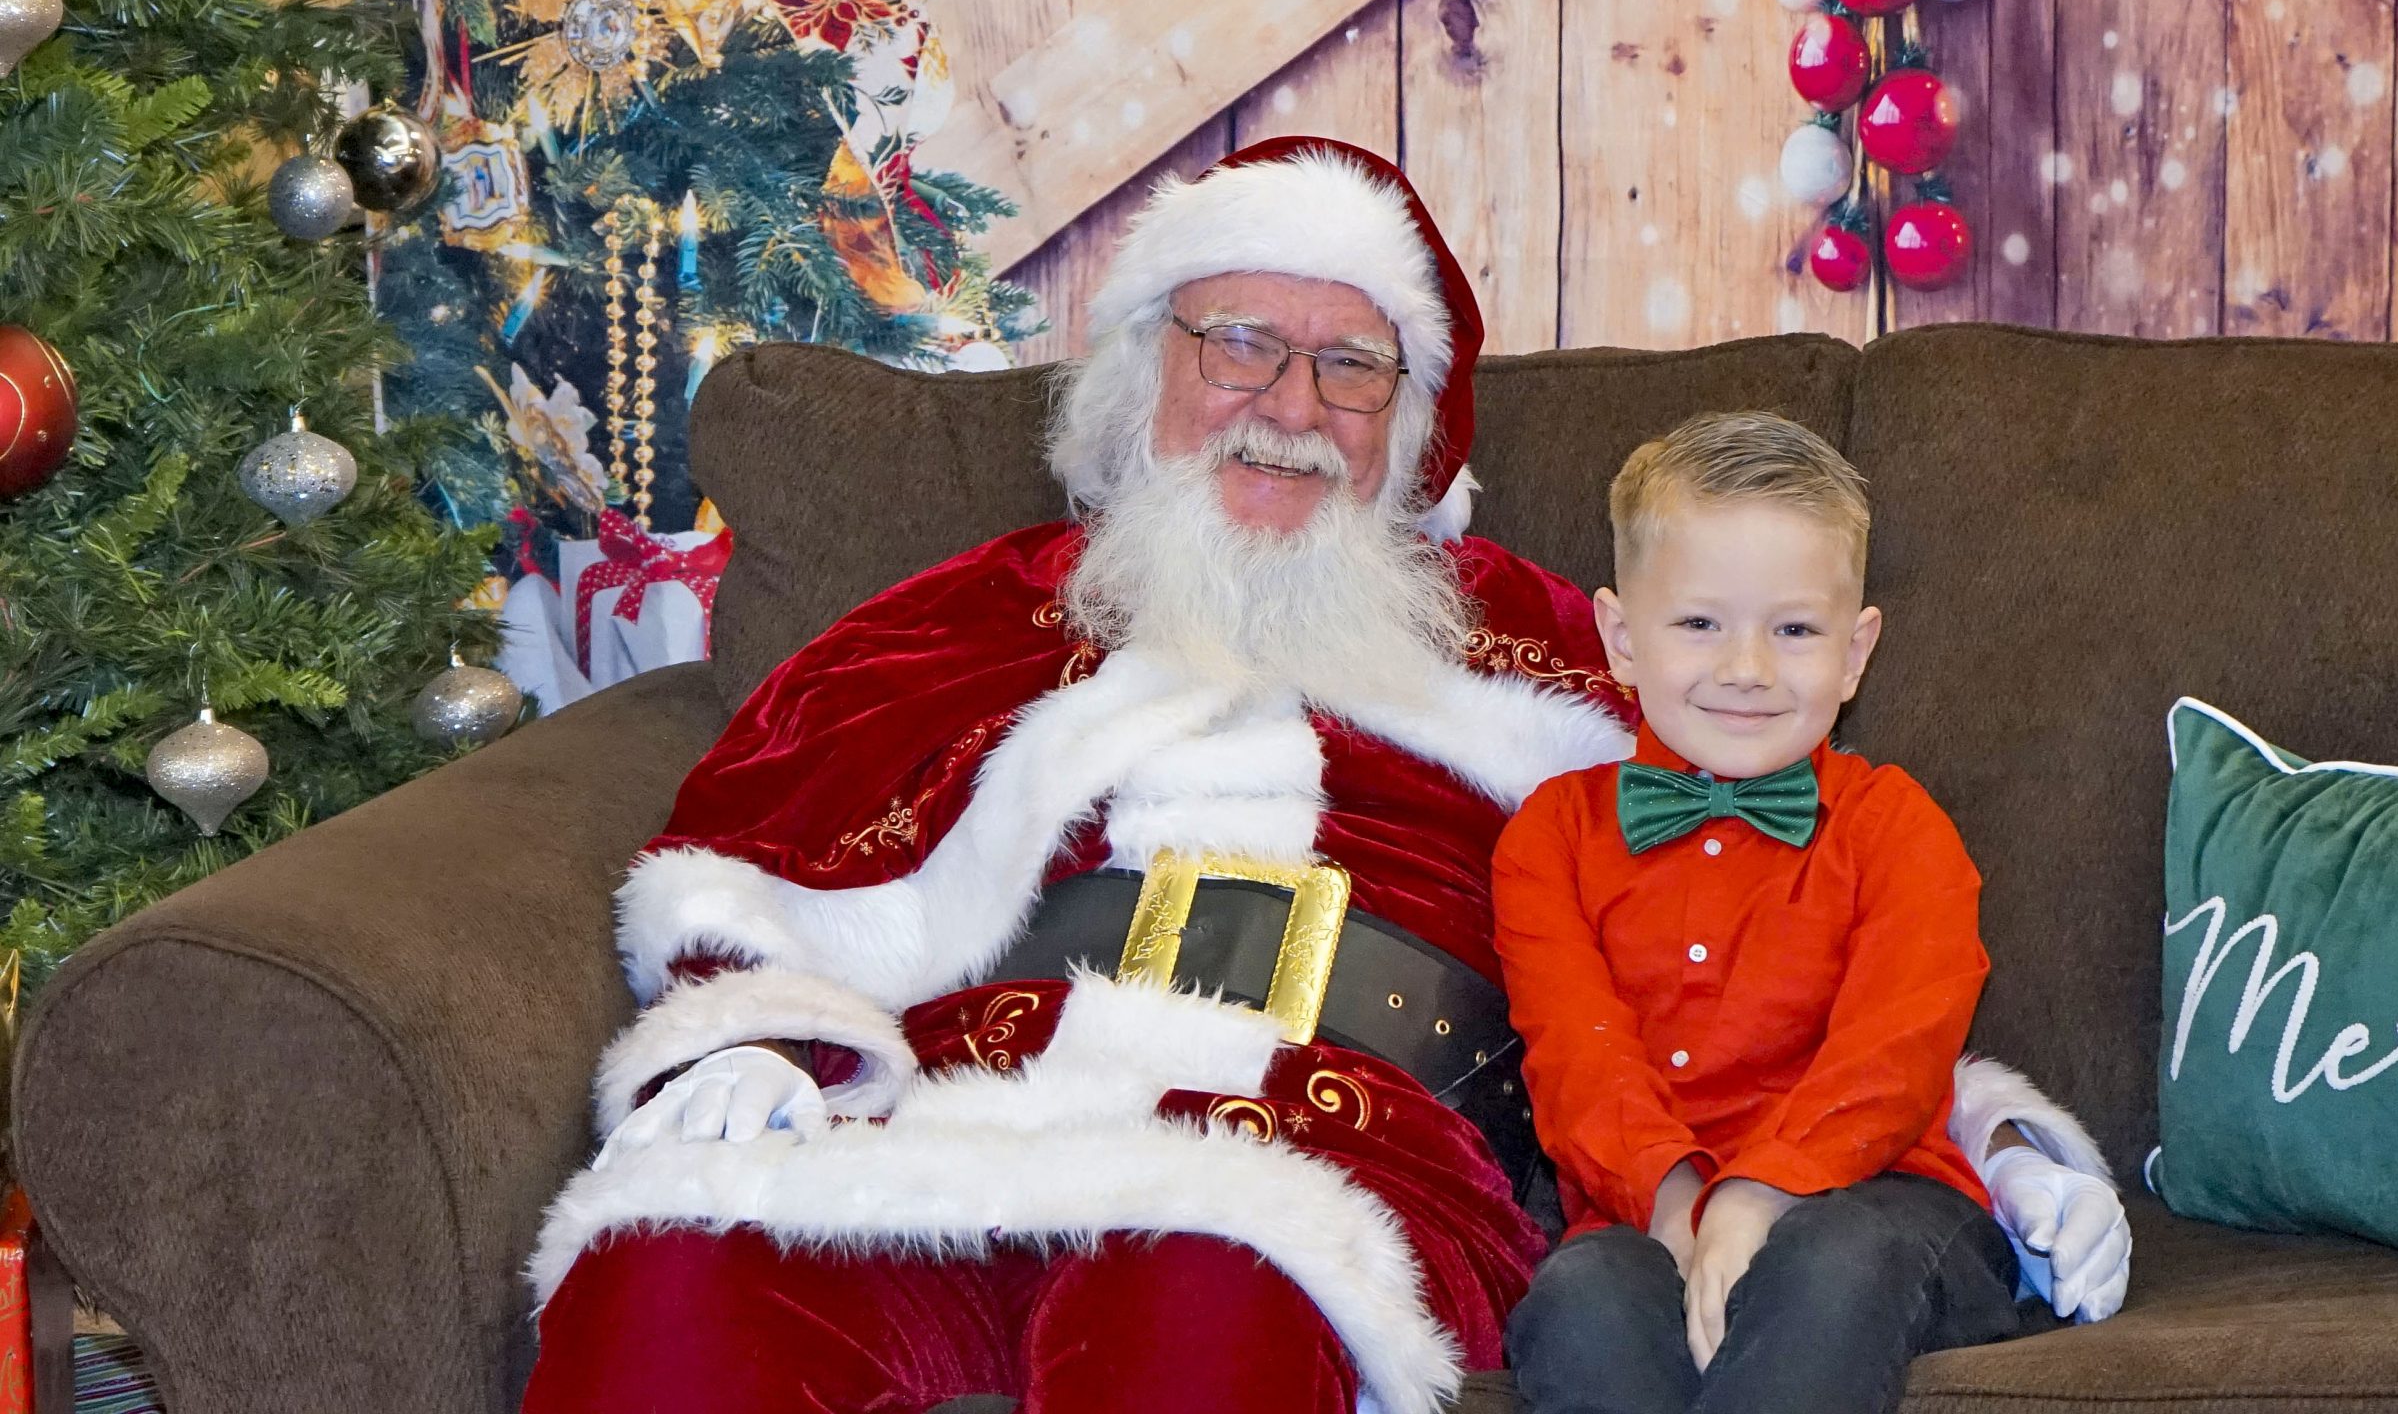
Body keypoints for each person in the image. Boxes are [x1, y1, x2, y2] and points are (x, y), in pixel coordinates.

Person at [519, 138, 2124, 1414]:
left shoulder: (1551, 650)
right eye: (1241, 345)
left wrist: (1988, 1138)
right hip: (941, 1111)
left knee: (1200, 1302)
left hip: (1324, 1150)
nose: (1291, 408)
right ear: (1145, 370)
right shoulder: (964, 616)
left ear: (1408, 426)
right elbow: (749, 849)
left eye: (1351, 367)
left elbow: (1773, 934)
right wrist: (751, 1040)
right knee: (668, 1274)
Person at [1495, 414, 2096, 1414]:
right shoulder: (1550, 837)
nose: (1747, 668)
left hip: (1883, 1206)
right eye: (1699, 624)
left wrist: (1756, 1194)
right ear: (1620, 639)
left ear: (1855, 653)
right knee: (1581, 1300)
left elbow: (1893, 1058)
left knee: (1833, 1261)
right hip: (1643, 1217)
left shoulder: (1897, 826)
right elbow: (1576, 1061)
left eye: (1794, 630)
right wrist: (1683, 1209)